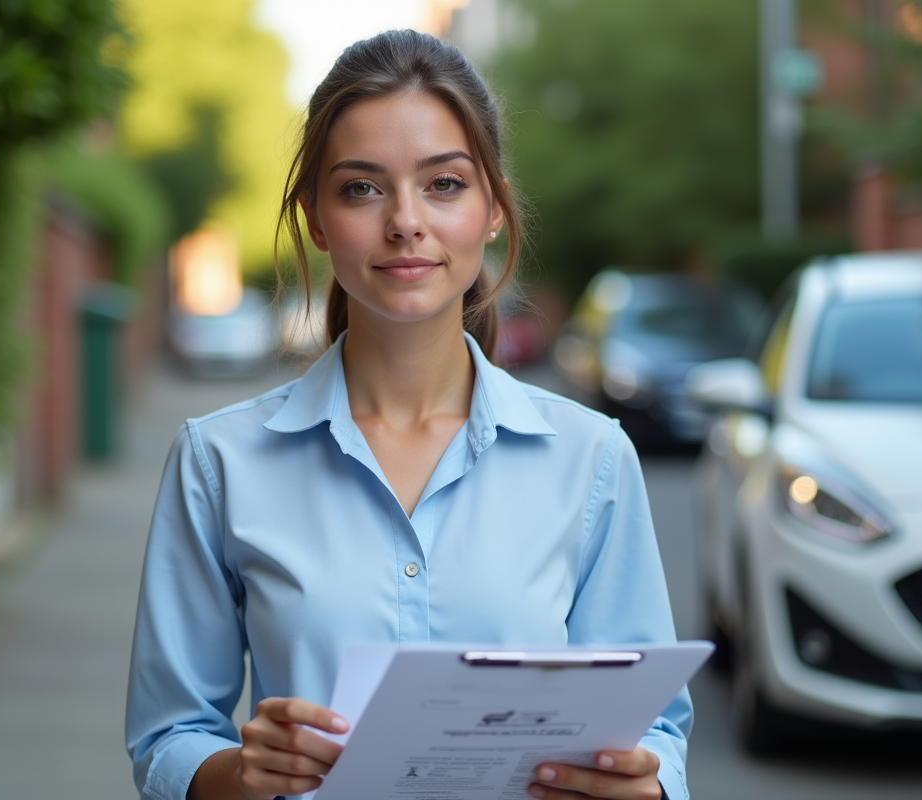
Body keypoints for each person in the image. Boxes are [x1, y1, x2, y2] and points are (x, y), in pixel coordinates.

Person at [126, 29, 693, 800]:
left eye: (445, 184)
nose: (405, 221)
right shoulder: (218, 461)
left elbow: (656, 727)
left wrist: (647, 787)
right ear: (317, 219)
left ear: (493, 208)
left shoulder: (591, 459)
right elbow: (169, 736)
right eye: (361, 187)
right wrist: (236, 772)